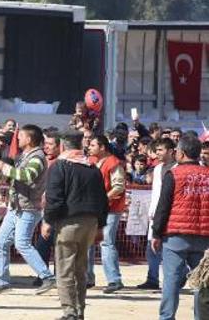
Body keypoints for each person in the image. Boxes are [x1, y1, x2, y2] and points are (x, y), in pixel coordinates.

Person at [42, 130, 108, 320]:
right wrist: (101, 226)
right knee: (80, 269)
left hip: (68, 222)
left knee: (64, 269)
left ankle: (69, 312)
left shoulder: (60, 166)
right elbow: (102, 200)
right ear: (81, 144)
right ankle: (80, 311)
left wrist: (47, 220)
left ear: (62, 144)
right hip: (91, 223)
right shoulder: (92, 167)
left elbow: (54, 198)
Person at [0, 124, 56, 294]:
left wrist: (6, 168)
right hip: (15, 207)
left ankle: (47, 277)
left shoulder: (37, 158)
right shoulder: (24, 156)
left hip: (28, 208)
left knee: (22, 243)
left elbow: (27, 176)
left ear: (29, 139)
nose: (17, 138)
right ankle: (2, 281)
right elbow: (16, 177)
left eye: (20, 136)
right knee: (0, 242)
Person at [152, 135, 209, 320]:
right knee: (202, 283)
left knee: (171, 280)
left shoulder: (174, 175)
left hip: (176, 236)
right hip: (203, 237)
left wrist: (156, 233)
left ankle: (167, 317)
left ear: (181, 153)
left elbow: (163, 206)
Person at [86, 135, 126, 293]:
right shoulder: (92, 161)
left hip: (111, 208)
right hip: (96, 207)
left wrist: (103, 198)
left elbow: (119, 186)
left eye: (93, 145)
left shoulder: (113, 163)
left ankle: (114, 280)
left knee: (106, 242)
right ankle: (87, 278)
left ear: (102, 147)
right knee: (89, 242)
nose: (90, 147)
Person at [138, 138, 177, 290]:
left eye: (161, 150)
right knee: (152, 247)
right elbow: (156, 193)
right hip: (157, 213)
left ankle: (174, 280)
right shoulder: (158, 168)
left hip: (174, 212)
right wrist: (152, 210)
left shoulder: (178, 167)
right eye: (157, 150)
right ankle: (152, 278)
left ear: (170, 151)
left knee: (171, 248)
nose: (157, 153)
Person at [34, 130, 62, 284]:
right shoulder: (42, 160)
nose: (47, 147)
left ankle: (58, 277)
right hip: (40, 207)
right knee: (42, 244)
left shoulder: (61, 162)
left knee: (57, 244)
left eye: (50, 144)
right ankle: (42, 275)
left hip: (56, 208)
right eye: (45, 144)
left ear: (58, 146)